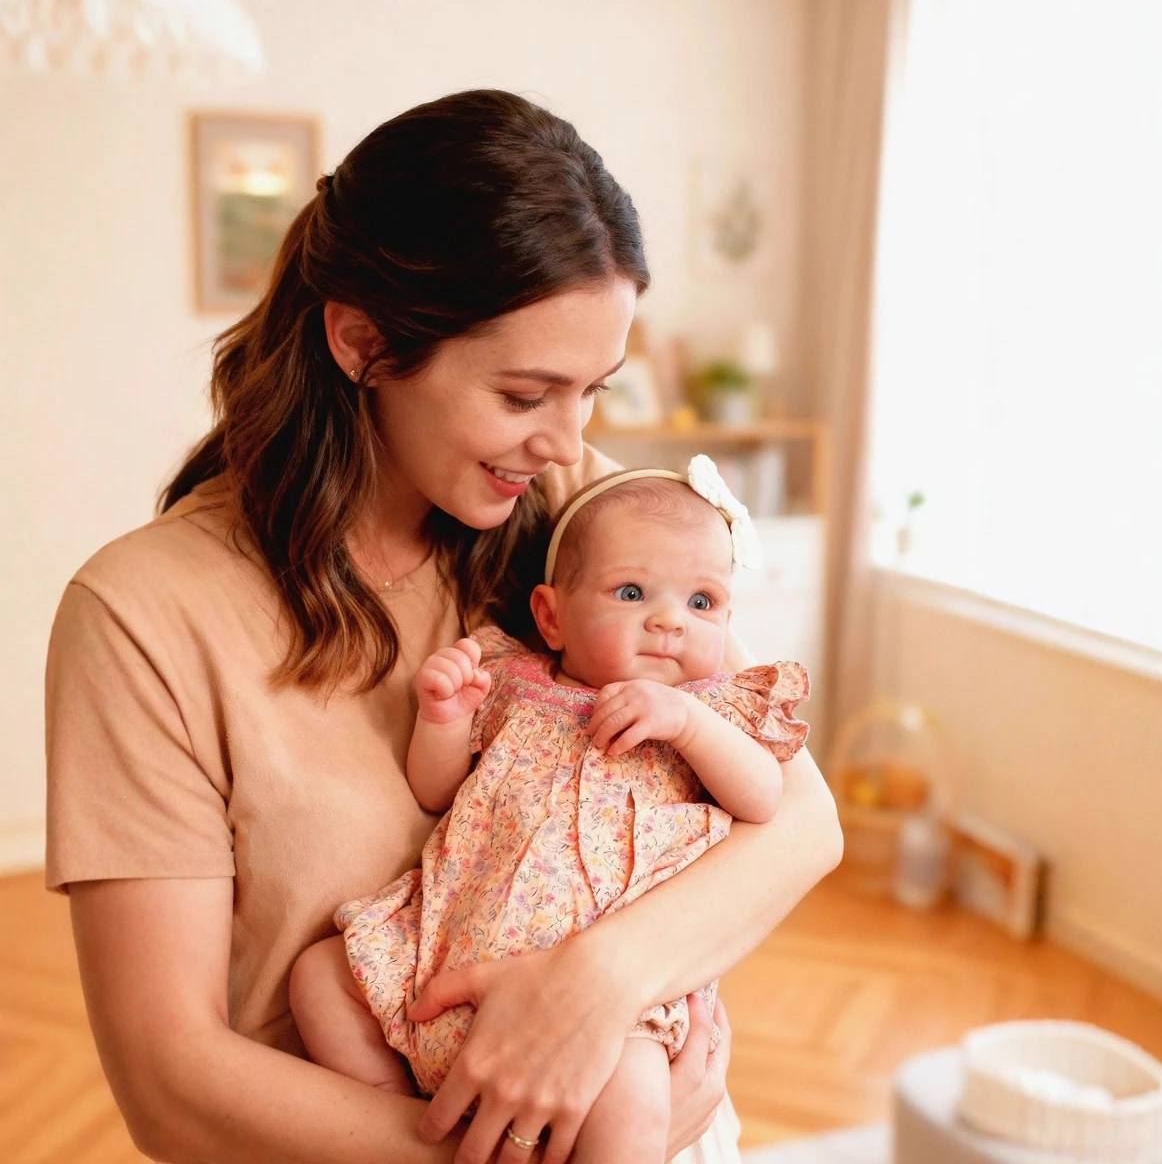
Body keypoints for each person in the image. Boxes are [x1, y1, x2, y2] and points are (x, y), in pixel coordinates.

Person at [45, 89, 842, 1164]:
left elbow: (802, 821)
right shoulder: (144, 617)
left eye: (592, 392)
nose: (564, 441)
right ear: (364, 342)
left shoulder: (578, 519)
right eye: (525, 394)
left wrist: (597, 989)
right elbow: (171, 1082)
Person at [291, 460, 813, 1164]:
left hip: (603, 1018)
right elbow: (436, 791)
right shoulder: (514, 681)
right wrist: (444, 717)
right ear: (552, 617)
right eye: (632, 592)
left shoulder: (712, 709)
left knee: (632, 1094)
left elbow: (764, 797)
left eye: (702, 602)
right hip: (443, 965)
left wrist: (687, 724)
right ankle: (415, 1111)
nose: (668, 622)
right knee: (320, 977)